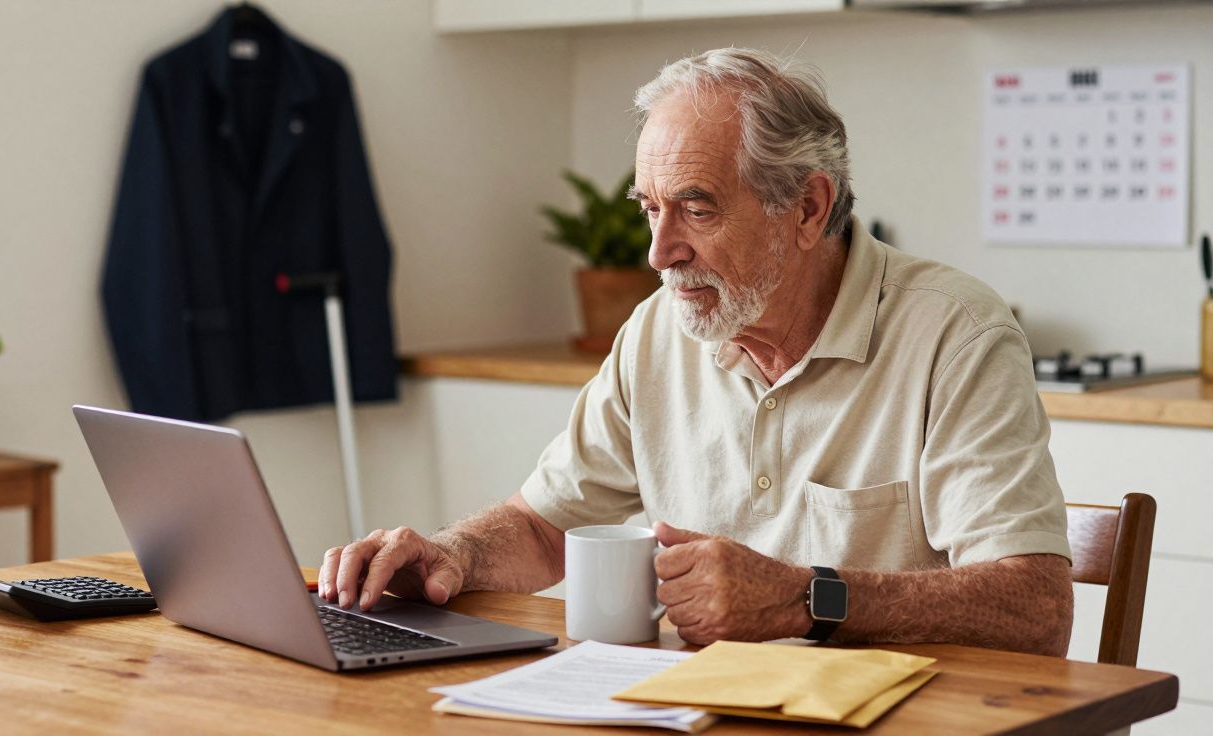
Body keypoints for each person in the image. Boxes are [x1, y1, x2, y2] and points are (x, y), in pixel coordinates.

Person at [319, 48, 1074, 656]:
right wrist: (452, 554)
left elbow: (1036, 607)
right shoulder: (659, 329)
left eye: (697, 208)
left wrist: (804, 598)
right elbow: (544, 526)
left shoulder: (955, 335)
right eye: (650, 208)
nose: (658, 252)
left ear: (807, 208)